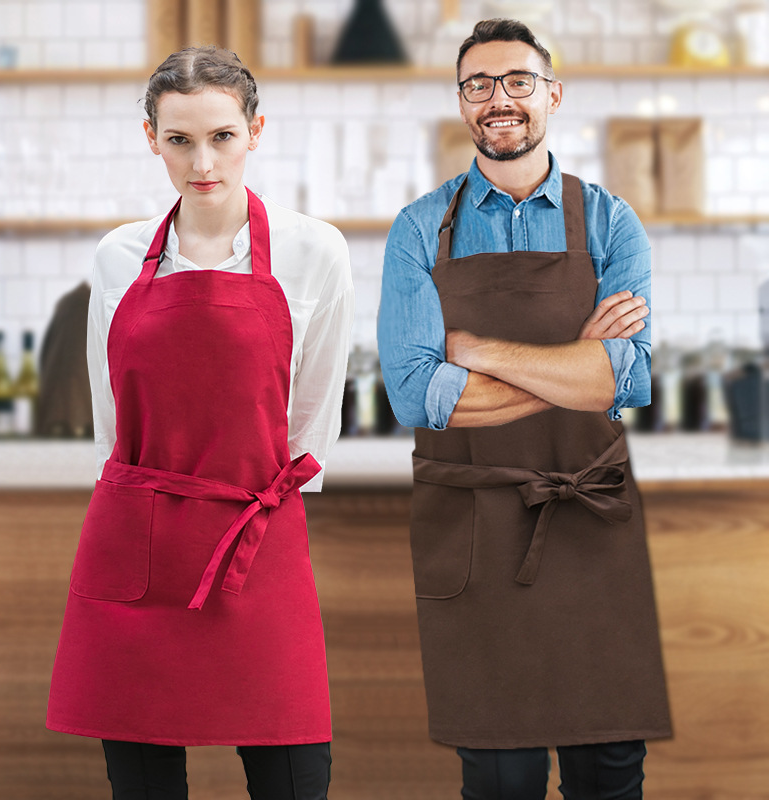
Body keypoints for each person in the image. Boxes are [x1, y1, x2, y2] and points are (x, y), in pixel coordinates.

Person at [46, 46, 353, 800]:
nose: (201, 161)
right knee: (143, 784)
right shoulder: (119, 256)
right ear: (151, 138)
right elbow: (110, 422)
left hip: (257, 532)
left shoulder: (315, 250)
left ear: (255, 131)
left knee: (294, 779)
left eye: (220, 136)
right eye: (179, 140)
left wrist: (256, 502)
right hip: (138, 542)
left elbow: (314, 416)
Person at [377, 19, 671, 800]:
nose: (497, 100)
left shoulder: (610, 221)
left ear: (552, 95)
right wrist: (576, 356)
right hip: (474, 532)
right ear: (462, 103)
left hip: (589, 517)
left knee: (609, 766)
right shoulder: (419, 230)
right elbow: (416, 394)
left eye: (516, 82)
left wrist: (477, 350)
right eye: (478, 85)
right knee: (499, 771)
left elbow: (630, 375)